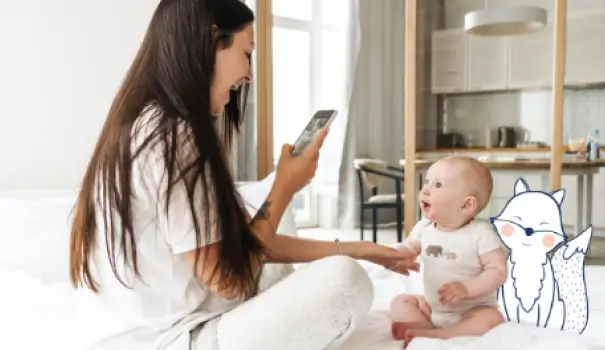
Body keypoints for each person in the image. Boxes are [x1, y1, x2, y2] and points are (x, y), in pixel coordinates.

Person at [67, 1, 416, 349]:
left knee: (286, 268)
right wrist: (283, 188)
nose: (248, 74)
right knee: (345, 281)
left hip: (165, 325)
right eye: (246, 52)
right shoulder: (172, 135)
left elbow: (246, 246)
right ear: (211, 41)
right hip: (173, 339)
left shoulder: (148, 121)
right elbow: (229, 281)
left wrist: (361, 249)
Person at [388, 156, 507, 347]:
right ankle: (421, 325)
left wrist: (466, 288)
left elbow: (498, 271)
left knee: (492, 319)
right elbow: (408, 248)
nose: (425, 189)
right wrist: (396, 257)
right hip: (433, 307)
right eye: (427, 182)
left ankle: (442, 335)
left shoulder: (481, 234)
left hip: (470, 309)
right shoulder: (424, 227)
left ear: (466, 205)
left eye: (437, 185)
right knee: (401, 301)